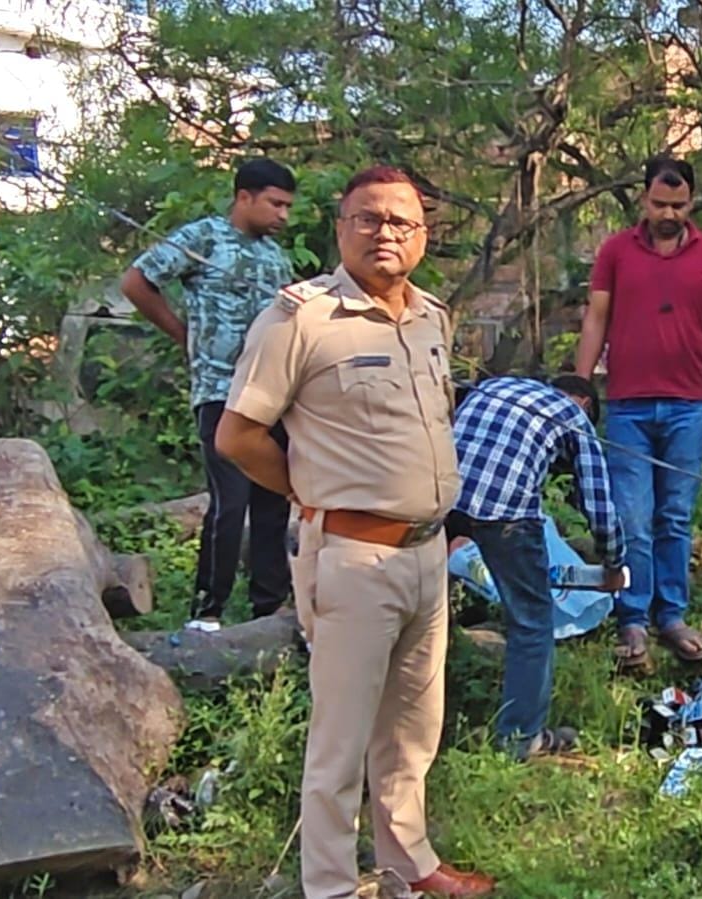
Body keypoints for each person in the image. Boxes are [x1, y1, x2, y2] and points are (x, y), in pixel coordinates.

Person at [215, 166, 495, 898]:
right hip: (351, 555)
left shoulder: (431, 317)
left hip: (427, 554)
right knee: (339, 744)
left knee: (412, 729)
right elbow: (237, 435)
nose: (385, 233)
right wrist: (306, 491)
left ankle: (409, 863)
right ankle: (332, 886)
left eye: (401, 221)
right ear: (340, 229)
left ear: (422, 235)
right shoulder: (300, 319)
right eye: (367, 218)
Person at [575, 155, 702, 670]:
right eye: (659, 204)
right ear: (643, 200)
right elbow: (595, 319)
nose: (668, 214)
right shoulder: (615, 251)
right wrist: (578, 388)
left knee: (674, 516)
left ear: (691, 202)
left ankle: (671, 615)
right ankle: (632, 618)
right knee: (632, 518)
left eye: (678, 205)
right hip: (627, 406)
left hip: (687, 406)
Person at [121, 158, 297, 632]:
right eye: (275, 204)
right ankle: (208, 609)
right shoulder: (203, 238)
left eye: (287, 206)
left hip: (272, 395)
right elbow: (137, 281)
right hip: (221, 391)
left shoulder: (276, 257)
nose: (282, 215)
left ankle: (268, 606)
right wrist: (183, 335)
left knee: (273, 500)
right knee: (229, 502)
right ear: (244, 197)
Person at [452, 374, 627, 758]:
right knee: (532, 623)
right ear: (585, 403)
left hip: (439, 497)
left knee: (423, 615)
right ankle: (521, 739)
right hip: (507, 515)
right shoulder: (574, 416)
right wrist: (614, 563)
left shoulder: (495, 384)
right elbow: (599, 505)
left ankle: (429, 721)